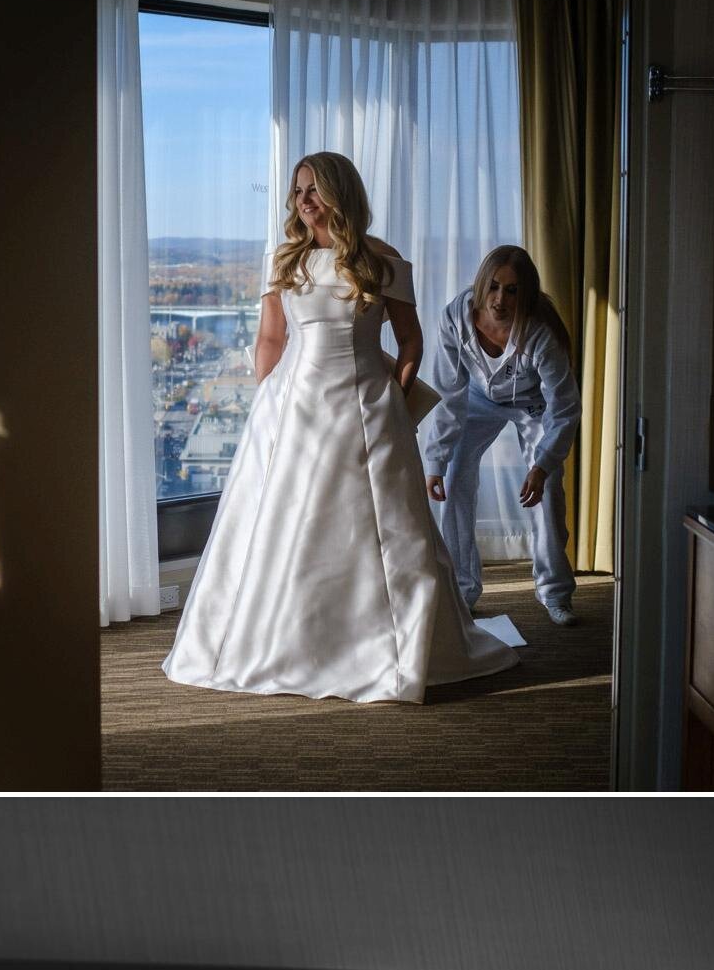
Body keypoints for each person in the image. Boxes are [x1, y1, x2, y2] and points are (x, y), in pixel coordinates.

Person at [162, 152, 517, 704]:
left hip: (366, 401)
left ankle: (382, 645)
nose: (303, 200)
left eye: (314, 189)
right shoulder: (283, 259)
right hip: (293, 405)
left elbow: (410, 339)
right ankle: (279, 641)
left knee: (376, 526)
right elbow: (271, 341)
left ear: (340, 192)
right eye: (298, 190)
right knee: (283, 522)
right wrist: (267, 403)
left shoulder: (382, 258)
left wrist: (395, 396)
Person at [421, 246, 581, 626]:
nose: (500, 299)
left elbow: (564, 407)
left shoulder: (541, 331)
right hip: (475, 399)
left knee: (547, 490)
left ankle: (555, 593)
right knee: (456, 478)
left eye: (512, 290)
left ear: (525, 294)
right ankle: (462, 590)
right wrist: (436, 460)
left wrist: (542, 465)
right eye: (493, 287)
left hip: (532, 403)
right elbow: (448, 393)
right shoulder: (455, 317)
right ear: (480, 285)